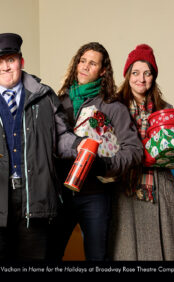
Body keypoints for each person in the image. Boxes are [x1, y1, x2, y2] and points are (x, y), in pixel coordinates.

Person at [0, 33, 85, 261]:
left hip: (35, 203)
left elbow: (60, 138)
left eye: (10, 60)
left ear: (21, 61)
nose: (5, 67)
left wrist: (80, 145)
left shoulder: (45, 96)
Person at [50, 42, 143, 261]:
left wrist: (107, 165)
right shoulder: (58, 102)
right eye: (82, 61)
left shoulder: (112, 106)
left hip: (95, 196)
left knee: (97, 257)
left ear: (102, 71)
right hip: (60, 195)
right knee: (50, 254)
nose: (84, 66)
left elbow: (135, 150)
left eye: (92, 63)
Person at [108, 44, 174, 260]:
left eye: (147, 73)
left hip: (159, 187)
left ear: (153, 76)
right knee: (126, 250)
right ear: (127, 75)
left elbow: (172, 151)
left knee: (164, 251)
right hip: (125, 187)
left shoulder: (166, 109)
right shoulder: (114, 107)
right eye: (135, 73)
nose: (141, 79)